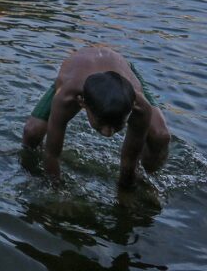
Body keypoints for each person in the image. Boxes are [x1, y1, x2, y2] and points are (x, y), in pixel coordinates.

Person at [21, 46, 170, 189]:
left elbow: (130, 159)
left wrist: (127, 188)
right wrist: (56, 189)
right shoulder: (68, 95)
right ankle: (30, 169)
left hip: (122, 72)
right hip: (77, 72)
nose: (108, 132)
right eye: (101, 123)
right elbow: (52, 154)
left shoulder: (139, 105)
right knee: (32, 132)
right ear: (82, 103)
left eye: (117, 124)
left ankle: (147, 178)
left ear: (132, 107)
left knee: (160, 136)